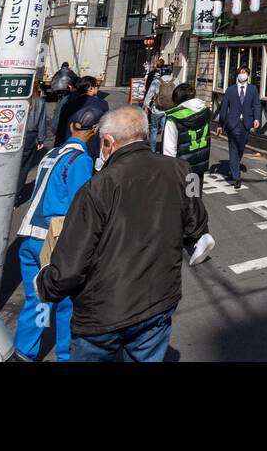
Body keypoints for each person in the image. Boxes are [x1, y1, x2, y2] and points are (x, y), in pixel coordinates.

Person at [37, 107, 211, 362]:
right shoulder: (184, 171)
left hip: (102, 313)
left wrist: (46, 284)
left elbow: (71, 265)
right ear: (143, 134)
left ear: (107, 142)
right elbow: (196, 225)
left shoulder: (97, 187)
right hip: (159, 300)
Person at [14, 101, 103, 361]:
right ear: (94, 131)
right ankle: (65, 355)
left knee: (38, 299)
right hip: (54, 241)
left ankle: (25, 351)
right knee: (66, 301)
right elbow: (80, 205)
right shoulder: (80, 160)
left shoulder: (53, 154)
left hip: (30, 234)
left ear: (73, 125)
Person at [217, 66, 261, 187]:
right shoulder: (230, 90)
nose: (243, 74)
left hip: (246, 123)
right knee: (234, 148)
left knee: (241, 147)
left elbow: (257, 104)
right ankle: (236, 177)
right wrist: (220, 124)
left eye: (245, 72)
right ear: (237, 75)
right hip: (232, 123)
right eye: (241, 72)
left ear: (248, 75)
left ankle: (233, 167)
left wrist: (257, 118)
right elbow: (224, 108)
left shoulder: (253, 89)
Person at [162, 82, 212, 183]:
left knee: (180, 197)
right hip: (199, 164)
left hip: (180, 168)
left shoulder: (174, 118)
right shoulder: (204, 111)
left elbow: (169, 150)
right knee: (195, 195)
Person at [55, 77, 100, 154]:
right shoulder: (102, 104)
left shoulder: (68, 104)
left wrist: (57, 147)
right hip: (91, 147)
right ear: (91, 88)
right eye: (97, 86)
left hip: (69, 144)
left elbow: (60, 128)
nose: (98, 88)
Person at [142, 61, 169, 153]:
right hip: (169, 110)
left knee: (154, 129)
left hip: (157, 109)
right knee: (166, 130)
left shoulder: (157, 81)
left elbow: (149, 95)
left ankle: (152, 150)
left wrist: (145, 106)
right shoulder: (176, 81)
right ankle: (164, 149)